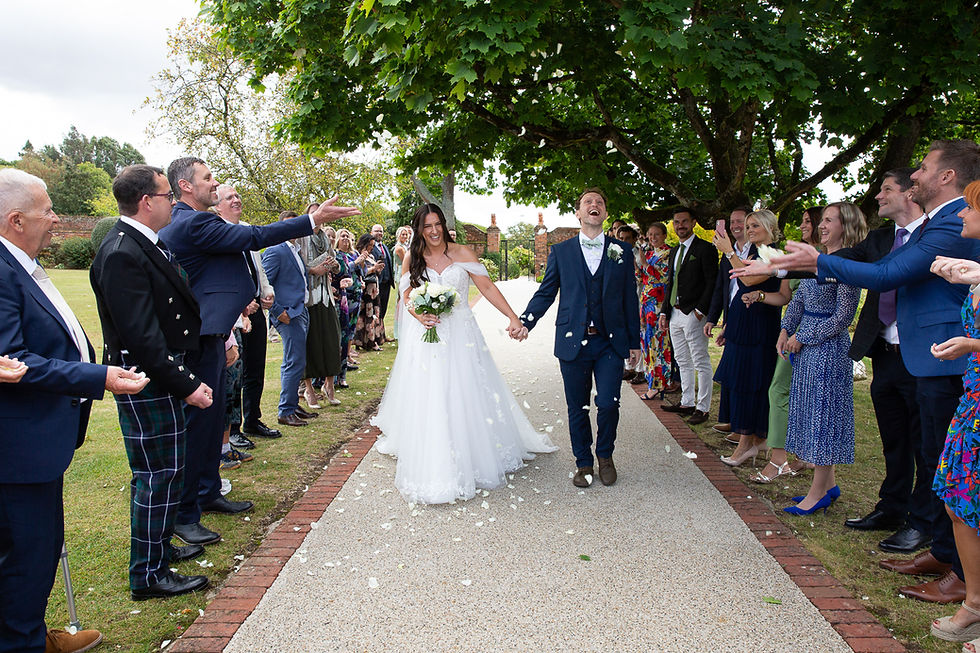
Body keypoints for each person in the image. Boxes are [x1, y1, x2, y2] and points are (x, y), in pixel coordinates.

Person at [771, 139, 980, 603]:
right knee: (932, 458)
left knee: (944, 463)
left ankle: (961, 571)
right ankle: (943, 551)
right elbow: (884, 264)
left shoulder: (949, 222)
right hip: (924, 355)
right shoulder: (938, 223)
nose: (916, 175)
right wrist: (808, 265)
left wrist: (818, 261)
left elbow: (888, 276)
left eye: (924, 167)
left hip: (945, 355)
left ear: (947, 176)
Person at [158, 157, 358, 547]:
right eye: (207, 178)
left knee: (213, 420)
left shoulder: (198, 219)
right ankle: (185, 512)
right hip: (198, 337)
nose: (213, 184)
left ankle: (209, 490)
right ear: (185, 186)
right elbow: (254, 237)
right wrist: (311, 221)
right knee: (198, 425)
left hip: (215, 334)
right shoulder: (192, 222)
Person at [0, 168, 149, 653]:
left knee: (37, 549)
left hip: (37, 439)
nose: (55, 217)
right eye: (47, 210)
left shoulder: (19, 261)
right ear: (16, 219)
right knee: (28, 553)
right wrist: (98, 377)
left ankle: (32, 633)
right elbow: (15, 361)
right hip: (16, 446)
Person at [373, 203, 557, 503]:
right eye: (427, 226)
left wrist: (514, 318)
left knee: (467, 389)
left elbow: (487, 287)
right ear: (419, 229)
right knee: (431, 392)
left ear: (444, 225)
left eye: (437, 225)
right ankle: (435, 454)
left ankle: (474, 451)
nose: (433, 231)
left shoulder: (463, 253)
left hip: (461, 334)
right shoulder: (412, 257)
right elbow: (406, 296)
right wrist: (420, 316)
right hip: (428, 335)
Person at [89, 164, 213, 600]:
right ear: (147, 202)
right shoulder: (123, 251)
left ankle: (158, 550)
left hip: (161, 375)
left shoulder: (144, 244)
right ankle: (148, 573)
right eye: (167, 196)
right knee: (156, 474)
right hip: (148, 380)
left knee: (168, 470)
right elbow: (142, 339)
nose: (173, 203)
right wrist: (187, 384)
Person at [519, 188, 641, 488]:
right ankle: (583, 462)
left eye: (599, 202)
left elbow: (629, 298)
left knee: (610, 402)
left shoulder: (621, 252)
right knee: (578, 406)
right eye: (588, 202)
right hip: (573, 341)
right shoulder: (561, 252)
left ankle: (605, 455)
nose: (594, 205)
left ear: (605, 213)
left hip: (610, 342)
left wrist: (635, 342)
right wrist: (526, 321)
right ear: (578, 213)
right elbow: (547, 292)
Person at [839, 169, 930, 556]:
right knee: (894, 439)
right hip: (885, 353)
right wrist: (793, 260)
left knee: (926, 443)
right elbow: (841, 259)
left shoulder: (935, 235)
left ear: (910, 193)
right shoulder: (879, 239)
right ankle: (891, 508)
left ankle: (922, 521)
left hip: (924, 357)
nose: (878, 196)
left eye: (886, 189)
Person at [779, 202, 868, 515]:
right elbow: (799, 299)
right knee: (808, 415)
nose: (822, 225)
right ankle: (828, 486)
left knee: (823, 421)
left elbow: (844, 315)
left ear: (847, 225)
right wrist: (785, 328)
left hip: (829, 350)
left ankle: (816, 494)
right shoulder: (815, 258)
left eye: (830, 220)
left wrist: (802, 337)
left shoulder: (848, 263)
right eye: (823, 220)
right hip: (804, 350)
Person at [929, 181, 980, 648]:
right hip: (972, 402)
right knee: (958, 503)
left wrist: (972, 344)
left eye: (970, 208)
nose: (961, 216)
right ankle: (975, 605)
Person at [709, 210, 788, 467]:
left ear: (769, 227)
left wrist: (729, 252)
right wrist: (729, 325)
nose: (749, 229)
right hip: (742, 323)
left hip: (760, 326)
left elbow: (750, 279)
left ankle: (747, 444)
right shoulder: (753, 253)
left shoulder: (773, 254)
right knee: (740, 383)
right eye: (748, 225)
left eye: (755, 225)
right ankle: (752, 439)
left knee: (750, 384)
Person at [216, 184, 280, 445]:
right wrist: (242, 305)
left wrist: (266, 292)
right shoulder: (216, 233)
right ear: (216, 205)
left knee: (256, 367)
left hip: (255, 309)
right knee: (235, 374)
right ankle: (233, 431)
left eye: (237, 196)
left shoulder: (247, 230)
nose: (236, 200)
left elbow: (258, 269)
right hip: (234, 314)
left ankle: (253, 419)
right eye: (229, 197)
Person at [658, 208, 718, 424]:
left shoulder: (705, 249)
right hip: (674, 312)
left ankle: (703, 408)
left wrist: (701, 310)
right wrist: (665, 310)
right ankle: (687, 401)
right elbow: (671, 282)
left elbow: (712, 281)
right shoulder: (674, 251)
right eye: (676, 222)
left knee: (700, 360)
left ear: (694, 223)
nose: (680, 225)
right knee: (682, 359)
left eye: (684, 221)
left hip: (694, 313)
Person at [262, 211, 320, 427]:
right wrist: (279, 312)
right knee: (292, 361)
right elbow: (265, 284)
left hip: (301, 311)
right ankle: (285, 410)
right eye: (288, 225)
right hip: (288, 314)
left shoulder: (295, 250)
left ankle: (293, 405)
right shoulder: (275, 251)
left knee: (299, 361)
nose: (292, 229)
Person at [704, 207, 751, 435]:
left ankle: (741, 425)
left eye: (740, 221)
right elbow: (721, 288)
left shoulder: (757, 253)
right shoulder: (727, 253)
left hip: (750, 317)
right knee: (729, 373)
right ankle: (730, 418)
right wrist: (713, 318)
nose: (735, 226)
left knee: (741, 373)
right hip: (732, 316)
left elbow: (749, 282)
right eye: (732, 222)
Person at [300, 222, 342, 408]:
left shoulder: (325, 239)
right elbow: (297, 264)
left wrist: (334, 265)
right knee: (310, 344)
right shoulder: (302, 237)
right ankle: (309, 390)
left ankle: (329, 386)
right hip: (308, 298)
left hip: (326, 296)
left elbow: (338, 267)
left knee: (332, 342)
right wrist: (313, 269)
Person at [635, 222, 673, 400]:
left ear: (664, 235)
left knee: (658, 344)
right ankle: (652, 381)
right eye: (650, 234)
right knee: (647, 343)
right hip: (646, 302)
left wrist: (645, 264)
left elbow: (664, 277)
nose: (653, 238)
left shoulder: (669, 253)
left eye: (656, 234)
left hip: (659, 304)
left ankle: (658, 384)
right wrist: (638, 265)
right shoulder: (649, 253)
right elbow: (642, 277)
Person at [353, 233, 387, 351]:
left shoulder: (371, 256)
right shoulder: (358, 255)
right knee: (366, 315)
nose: (371, 248)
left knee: (373, 315)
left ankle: (371, 339)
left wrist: (378, 269)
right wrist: (373, 269)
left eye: (372, 245)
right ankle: (367, 341)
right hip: (366, 290)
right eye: (370, 245)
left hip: (374, 289)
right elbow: (362, 272)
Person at [371, 223, 396, 332]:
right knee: (376, 309)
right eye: (376, 231)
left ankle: (381, 333)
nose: (379, 233)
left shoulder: (384, 247)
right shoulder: (370, 248)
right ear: (371, 233)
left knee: (384, 308)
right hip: (376, 282)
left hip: (386, 282)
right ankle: (376, 334)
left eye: (381, 231)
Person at [392, 226, 413, 339]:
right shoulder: (400, 248)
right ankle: (399, 330)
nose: (405, 236)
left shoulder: (405, 246)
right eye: (403, 234)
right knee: (402, 300)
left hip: (405, 271)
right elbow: (407, 261)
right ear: (398, 235)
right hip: (402, 273)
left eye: (406, 234)